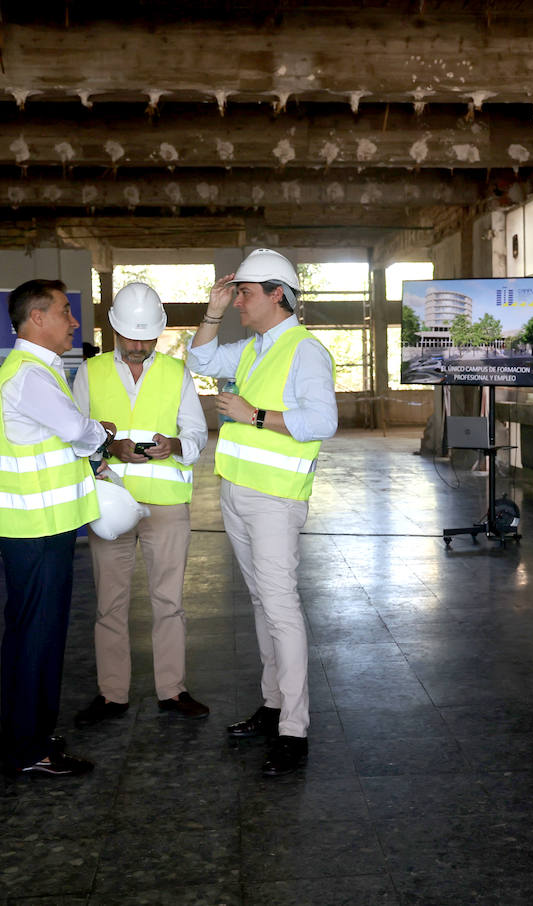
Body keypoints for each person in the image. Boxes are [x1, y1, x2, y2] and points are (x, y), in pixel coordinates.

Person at [187, 248, 338, 777]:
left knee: (280, 607)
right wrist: (212, 309)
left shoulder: (305, 351)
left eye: (245, 294)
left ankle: (293, 728)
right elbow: (199, 361)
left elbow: (322, 420)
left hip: (274, 497)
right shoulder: (253, 348)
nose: (238, 304)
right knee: (261, 603)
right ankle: (273, 705)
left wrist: (255, 416)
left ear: (279, 294)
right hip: (238, 490)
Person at [0, 279, 114, 778]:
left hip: (39, 526)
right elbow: (79, 431)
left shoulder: (35, 372)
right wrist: (103, 435)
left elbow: (63, 440)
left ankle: (29, 736)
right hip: (35, 529)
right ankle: (29, 749)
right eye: (65, 311)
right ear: (37, 317)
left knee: (35, 634)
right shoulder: (30, 376)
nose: (73, 322)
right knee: (38, 636)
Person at [72, 282, 211, 728]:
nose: (137, 346)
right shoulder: (89, 373)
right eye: (130, 338)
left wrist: (174, 444)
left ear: (158, 334)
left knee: (168, 601)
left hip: (167, 505)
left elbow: (197, 434)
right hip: (110, 505)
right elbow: (74, 439)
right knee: (109, 604)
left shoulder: (176, 373)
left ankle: (172, 690)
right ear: (114, 329)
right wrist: (112, 450)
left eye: (146, 338)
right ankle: (112, 694)